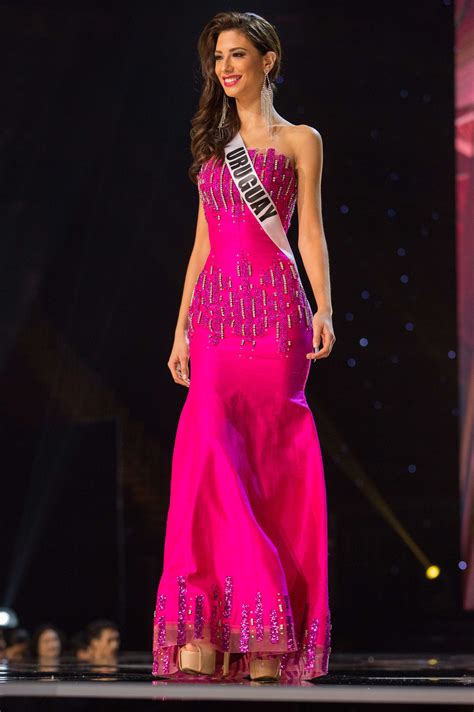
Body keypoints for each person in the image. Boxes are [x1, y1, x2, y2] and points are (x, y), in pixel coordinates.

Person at [152, 10, 335, 682]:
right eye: (217, 58)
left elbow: (308, 232)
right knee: (206, 464)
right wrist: (179, 328)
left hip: (277, 322)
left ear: (268, 60)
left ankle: (267, 633)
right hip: (215, 322)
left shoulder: (301, 141)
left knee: (269, 466)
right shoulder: (211, 144)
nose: (225, 68)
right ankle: (212, 617)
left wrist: (325, 308)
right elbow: (201, 243)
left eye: (236, 55)